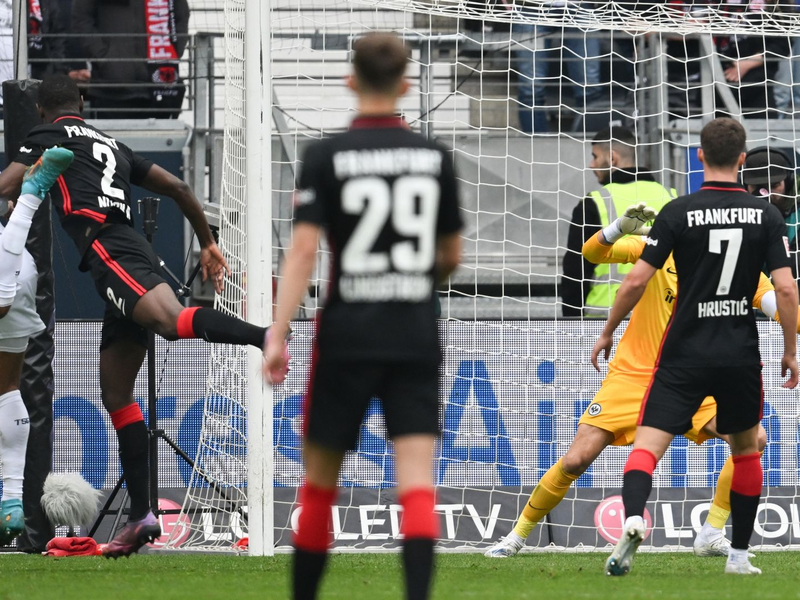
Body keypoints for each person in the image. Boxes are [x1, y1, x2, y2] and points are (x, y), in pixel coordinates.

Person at [0, 73, 279, 558]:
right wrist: (208, 241)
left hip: (110, 249)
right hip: (128, 248)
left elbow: (7, 183)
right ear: (81, 102)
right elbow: (175, 185)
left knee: (171, 322)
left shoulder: (47, 135)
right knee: (115, 390)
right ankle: (142, 515)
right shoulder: (111, 142)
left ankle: (264, 336)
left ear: (42, 111)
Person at [263, 32, 462, 600]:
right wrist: (411, 285)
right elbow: (451, 256)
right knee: (418, 483)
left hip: (347, 331)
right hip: (415, 329)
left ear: (350, 81)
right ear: (405, 84)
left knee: (321, 482)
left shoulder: (324, 155)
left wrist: (277, 334)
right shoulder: (434, 157)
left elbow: (302, 251)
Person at [485, 198, 799, 558]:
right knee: (575, 460)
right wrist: (618, 227)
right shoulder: (658, 251)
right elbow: (592, 254)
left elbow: (782, 306)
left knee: (753, 439)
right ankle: (517, 535)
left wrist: (784, 312)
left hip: (692, 378)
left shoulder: (742, 274)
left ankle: (711, 532)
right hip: (633, 377)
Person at [593, 117, 798, 576]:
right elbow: (785, 290)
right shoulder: (767, 215)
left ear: (700, 156)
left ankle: (631, 521)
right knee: (746, 451)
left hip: (683, 352)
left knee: (646, 448)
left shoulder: (679, 211)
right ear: (742, 160)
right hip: (739, 355)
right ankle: (738, 557)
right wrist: (789, 350)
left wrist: (608, 330)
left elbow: (637, 281)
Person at [0, 147, 72, 545]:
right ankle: (11, 502)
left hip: (7, 269)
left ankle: (30, 198)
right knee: (7, 386)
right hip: (17, 263)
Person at [562, 126, 675, 317]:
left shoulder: (594, 201)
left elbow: (575, 272)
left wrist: (571, 323)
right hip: (660, 318)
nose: (591, 165)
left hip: (604, 318)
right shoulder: (672, 197)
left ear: (612, 158)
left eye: (595, 156)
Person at [71, 0, 189, 118]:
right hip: (111, 88)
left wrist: (173, 51)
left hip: (160, 88)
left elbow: (181, 16)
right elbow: (82, 19)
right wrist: (103, 58)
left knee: (164, 135)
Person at [511, 2, 602, 134]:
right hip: (531, 6)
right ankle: (534, 149)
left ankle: (593, 149)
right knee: (530, 88)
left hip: (580, 5)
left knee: (589, 87)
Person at [741, 146, 800, 278]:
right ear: (745, 185)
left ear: (788, 181)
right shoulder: (737, 213)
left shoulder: (797, 214)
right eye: (758, 187)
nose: (766, 193)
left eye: (774, 186)